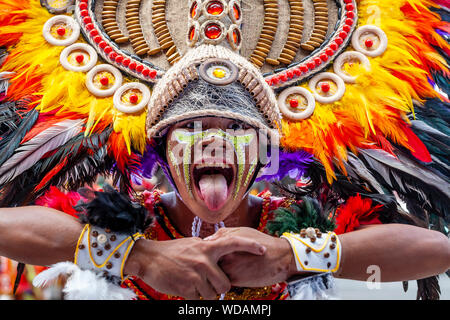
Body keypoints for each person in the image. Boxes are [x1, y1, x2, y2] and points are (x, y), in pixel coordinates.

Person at [0, 0, 449, 300]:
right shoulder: (129, 222)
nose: (213, 140)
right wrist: (140, 257)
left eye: (237, 128)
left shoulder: (297, 221)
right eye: (191, 128)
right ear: (160, 145)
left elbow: (436, 249)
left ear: (264, 150)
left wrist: (291, 256)